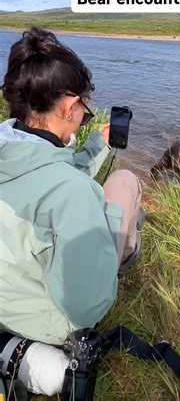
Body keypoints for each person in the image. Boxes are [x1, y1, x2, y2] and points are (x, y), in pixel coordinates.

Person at [0, 27, 144, 397]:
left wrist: (97, 145)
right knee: (126, 182)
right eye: (84, 107)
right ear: (68, 105)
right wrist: (105, 218)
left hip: (6, 298)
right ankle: (128, 250)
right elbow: (86, 310)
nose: (83, 114)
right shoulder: (74, 195)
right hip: (46, 323)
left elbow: (45, 174)